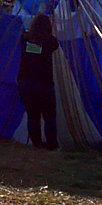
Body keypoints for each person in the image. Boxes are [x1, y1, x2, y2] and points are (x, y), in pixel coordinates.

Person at [17, 11, 60, 150]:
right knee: (49, 116)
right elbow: (53, 45)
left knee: (33, 115)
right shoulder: (51, 41)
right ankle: (51, 145)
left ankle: (37, 144)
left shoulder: (25, 39)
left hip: (25, 83)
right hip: (44, 84)